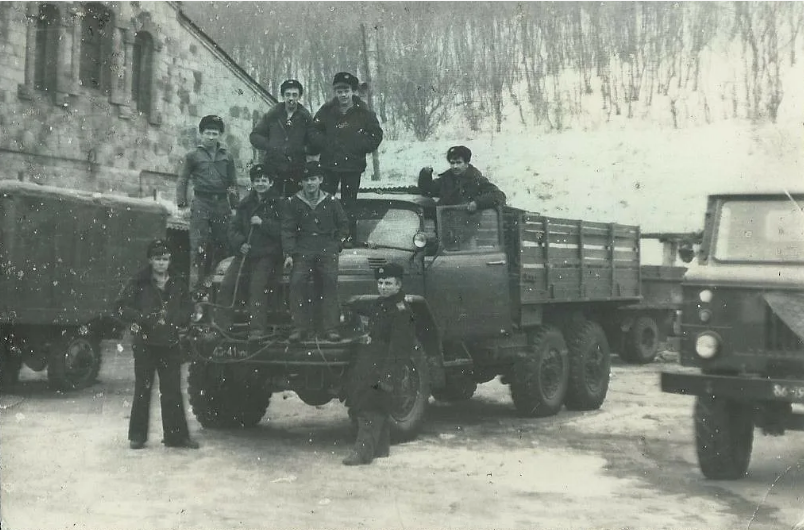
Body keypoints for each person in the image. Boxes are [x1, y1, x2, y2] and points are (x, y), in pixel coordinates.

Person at [116, 239, 199, 450]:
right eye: (158, 259)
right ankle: (137, 436)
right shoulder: (139, 282)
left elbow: (188, 307)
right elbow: (119, 308)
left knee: (172, 390)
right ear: (150, 260)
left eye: (165, 259)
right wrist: (143, 318)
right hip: (145, 344)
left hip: (170, 344)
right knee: (142, 389)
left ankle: (176, 437)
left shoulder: (177, 282)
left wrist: (178, 318)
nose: (162, 263)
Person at [342, 263, 415, 466]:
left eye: (388, 283)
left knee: (369, 404)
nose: (383, 287)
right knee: (373, 403)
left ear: (398, 285)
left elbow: (399, 350)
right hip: (372, 363)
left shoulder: (402, 311)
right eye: (380, 282)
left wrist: (388, 377)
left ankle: (362, 452)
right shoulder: (382, 304)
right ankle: (381, 448)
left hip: (383, 366)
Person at [281, 161, 349, 343]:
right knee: (296, 283)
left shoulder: (332, 201)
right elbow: (287, 229)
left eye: (313, 179)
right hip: (303, 248)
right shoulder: (293, 202)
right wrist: (289, 253)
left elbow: (344, 225)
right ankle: (299, 328)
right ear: (301, 183)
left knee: (329, 284)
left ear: (320, 180)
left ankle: (331, 328)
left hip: (327, 247)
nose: (310, 183)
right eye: (306, 180)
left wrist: (337, 244)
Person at [311, 72, 383, 238]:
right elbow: (313, 130)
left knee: (349, 203)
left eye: (346, 91)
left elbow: (376, 135)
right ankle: (324, 235)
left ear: (353, 91)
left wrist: (358, 146)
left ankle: (348, 236)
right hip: (329, 165)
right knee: (325, 200)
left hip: (352, 165)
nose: (343, 95)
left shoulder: (364, 112)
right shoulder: (326, 110)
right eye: (339, 91)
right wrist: (325, 143)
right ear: (335, 92)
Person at [219, 164, 284, 339]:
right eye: (257, 180)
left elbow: (284, 230)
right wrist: (240, 244)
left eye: (264, 180)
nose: (261, 183)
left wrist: (263, 223)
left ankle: (257, 329)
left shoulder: (279, 204)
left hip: (267, 254)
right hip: (245, 253)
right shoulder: (245, 204)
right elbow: (233, 229)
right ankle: (222, 327)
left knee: (258, 287)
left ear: (271, 183)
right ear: (253, 183)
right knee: (227, 285)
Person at [176, 115, 239, 283]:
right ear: (202, 134)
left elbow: (232, 183)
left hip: (221, 204)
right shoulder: (193, 155)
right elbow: (183, 179)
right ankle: (195, 290)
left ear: (220, 135)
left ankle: (214, 282)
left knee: (224, 245)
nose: (211, 137)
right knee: (198, 247)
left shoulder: (227, 156)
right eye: (208, 133)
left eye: (215, 133)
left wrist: (234, 206)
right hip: (201, 204)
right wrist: (182, 205)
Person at [249, 79, 316, 197]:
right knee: (272, 200)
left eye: (294, 95)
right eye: (288, 94)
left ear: (299, 96)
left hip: (296, 167)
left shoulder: (305, 117)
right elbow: (255, 136)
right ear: (282, 96)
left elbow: (315, 142)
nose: (291, 98)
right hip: (273, 165)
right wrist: (271, 145)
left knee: (295, 201)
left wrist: (301, 149)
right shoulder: (273, 115)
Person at [417, 145, 506, 211]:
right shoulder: (446, 179)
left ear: (467, 163)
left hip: (467, 226)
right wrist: (425, 174)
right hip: (444, 224)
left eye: (459, 162)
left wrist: (477, 203)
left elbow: (498, 195)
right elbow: (427, 190)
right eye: (452, 163)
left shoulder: (476, 180)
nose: (455, 166)